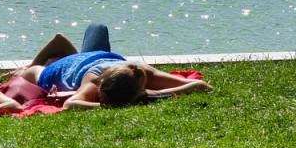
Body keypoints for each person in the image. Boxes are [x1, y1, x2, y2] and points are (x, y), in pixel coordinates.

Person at [13, 24, 211, 109]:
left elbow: (198, 86)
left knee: (97, 28)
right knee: (30, 73)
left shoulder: (141, 71)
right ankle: (57, 51)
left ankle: (65, 48)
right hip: (73, 64)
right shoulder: (92, 81)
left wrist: (152, 94)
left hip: (89, 59)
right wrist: (25, 70)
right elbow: (71, 104)